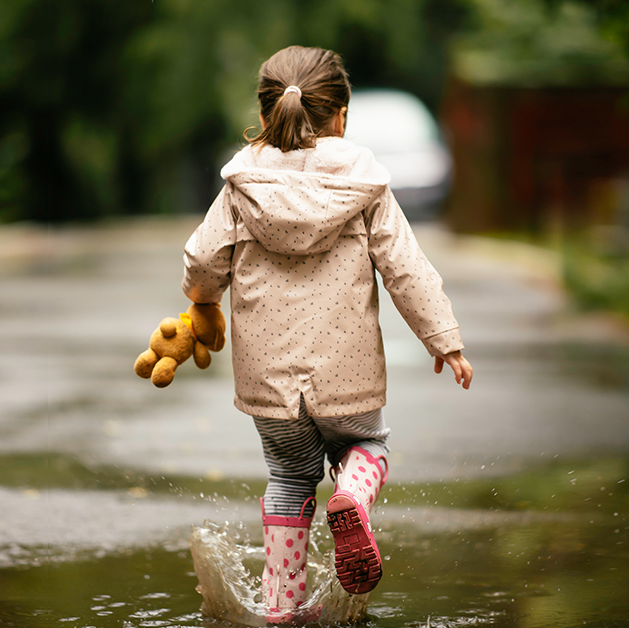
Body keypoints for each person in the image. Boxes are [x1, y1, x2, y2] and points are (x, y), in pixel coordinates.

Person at [181, 45, 472, 621]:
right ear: (342, 115)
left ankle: (281, 607)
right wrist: (444, 338)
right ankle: (353, 497)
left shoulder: (242, 184)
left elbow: (202, 259)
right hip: (348, 370)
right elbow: (406, 268)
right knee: (369, 447)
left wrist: (202, 300)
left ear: (266, 116)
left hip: (270, 381)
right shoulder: (364, 185)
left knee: (289, 477)